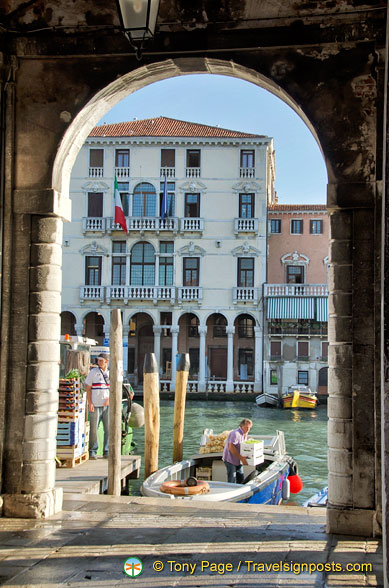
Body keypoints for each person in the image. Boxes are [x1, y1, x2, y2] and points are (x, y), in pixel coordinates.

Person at [85, 352, 110, 459]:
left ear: (106, 361)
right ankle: (93, 450)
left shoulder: (110, 373)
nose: (99, 362)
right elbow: (88, 388)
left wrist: (109, 399)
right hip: (95, 404)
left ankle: (107, 450)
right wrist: (90, 403)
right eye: (98, 360)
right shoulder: (93, 372)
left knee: (108, 428)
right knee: (94, 428)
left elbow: (114, 389)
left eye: (101, 360)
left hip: (107, 405)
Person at [222, 418, 253, 483]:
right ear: (242, 426)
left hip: (238, 460)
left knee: (241, 477)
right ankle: (230, 490)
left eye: (249, 428)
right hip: (230, 459)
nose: (248, 429)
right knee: (232, 478)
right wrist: (242, 458)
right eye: (247, 427)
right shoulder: (235, 434)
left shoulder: (245, 433)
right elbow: (231, 447)